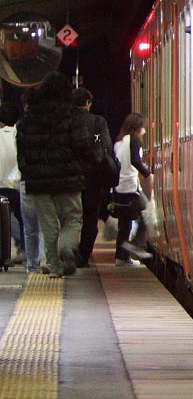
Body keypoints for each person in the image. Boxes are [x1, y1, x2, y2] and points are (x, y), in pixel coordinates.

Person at [16, 72, 102, 277]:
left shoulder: (29, 117)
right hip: (68, 179)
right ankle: (66, 247)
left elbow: (22, 149)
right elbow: (83, 145)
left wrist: (27, 171)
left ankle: (54, 267)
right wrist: (92, 161)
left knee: (48, 225)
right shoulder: (72, 115)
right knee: (72, 219)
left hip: (38, 182)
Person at [72, 87, 117, 267]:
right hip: (92, 179)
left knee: (70, 217)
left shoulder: (65, 121)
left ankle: (69, 251)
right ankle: (83, 256)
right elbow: (106, 146)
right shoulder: (98, 122)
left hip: (69, 178)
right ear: (88, 103)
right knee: (90, 217)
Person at [112, 112, 153, 265]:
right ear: (136, 128)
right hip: (131, 187)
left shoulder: (119, 142)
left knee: (125, 223)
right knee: (147, 213)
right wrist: (148, 174)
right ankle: (137, 245)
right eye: (143, 128)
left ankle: (120, 257)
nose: (144, 131)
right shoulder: (134, 140)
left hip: (119, 187)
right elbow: (136, 161)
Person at [0, 100, 20, 263]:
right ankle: (26, 252)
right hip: (17, 187)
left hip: (0, 187)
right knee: (22, 219)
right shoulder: (20, 134)